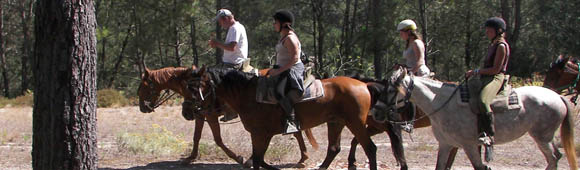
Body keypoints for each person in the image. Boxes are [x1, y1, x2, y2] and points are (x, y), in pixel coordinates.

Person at [465, 17, 510, 148]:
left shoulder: (501, 46)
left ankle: (488, 134)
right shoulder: (493, 44)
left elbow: (496, 69)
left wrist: (476, 71)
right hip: (485, 77)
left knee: (483, 101)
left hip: (496, 77)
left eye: (489, 30)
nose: (487, 33)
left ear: (499, 31)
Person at [266, 10, 304, 135]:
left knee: (279, 91)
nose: (273, 24)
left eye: (275, 22)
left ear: (283, 23)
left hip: (292, 69)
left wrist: (278, 71)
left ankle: (291, 121)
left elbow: (294, 58)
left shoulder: (290, 38)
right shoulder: (284, 36)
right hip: (285, 68)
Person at [208, 8, 248, 122]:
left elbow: (232, 47)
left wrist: (217, 43)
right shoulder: (235, 28)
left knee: (214, 82)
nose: (220, 24)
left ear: (226, 19)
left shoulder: (235, 29)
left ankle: (230, 110)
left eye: (220, 21)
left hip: (234, 64)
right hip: (230, 63)